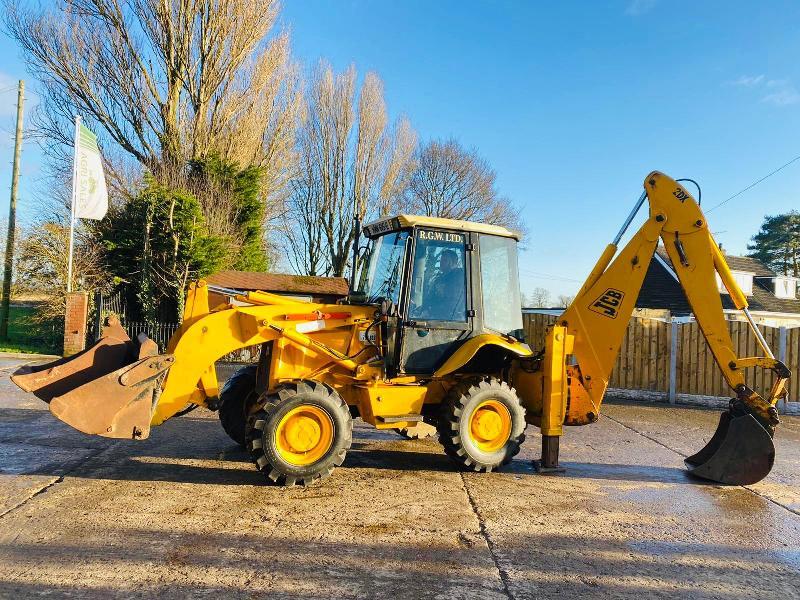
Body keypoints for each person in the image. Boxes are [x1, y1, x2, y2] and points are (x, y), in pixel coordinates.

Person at [425, 249, 465, 320]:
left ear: (453, 262)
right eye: (441, 260)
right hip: (436, 316)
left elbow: (452, 303)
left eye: (445, 260)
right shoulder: (439, 278)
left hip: (451, 319)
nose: (441, 263)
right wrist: (425, 308)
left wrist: (431, 311)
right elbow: (433, 297)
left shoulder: (458, 277)